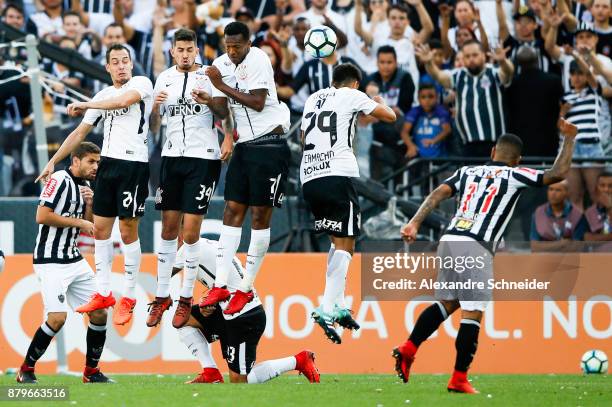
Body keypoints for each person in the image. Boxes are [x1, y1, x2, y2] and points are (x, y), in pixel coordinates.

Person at [394, 119, 578, 393]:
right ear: (517, 160)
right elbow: (557, 173)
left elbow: (437, 194)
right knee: (472, 313)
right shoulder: (515, 175)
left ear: (493, 152)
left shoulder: (465, 171)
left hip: (450, 239)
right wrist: (569, 139)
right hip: (475, 245)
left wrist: (414, 223)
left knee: (447, 303)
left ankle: (409, 348)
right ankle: (458, 378)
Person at [36, 44, 154, 326]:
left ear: (131, 63)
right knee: (101, 230)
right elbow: (80, 132)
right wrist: (54, 160)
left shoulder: (141, 83)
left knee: (127, 231)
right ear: (108, 67)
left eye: (126, 60)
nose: (122, 65)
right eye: (116, 62)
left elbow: (122, 103)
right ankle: (103, 292)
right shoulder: (103, 94)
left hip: (133, 164)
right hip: (108, 166)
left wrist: (87, 104)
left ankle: (128, 296)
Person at [198, 22, 291, 315]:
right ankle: (221, 284)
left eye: (237, 46)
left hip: (270, 144)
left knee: (260, 216)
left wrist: (220, 85)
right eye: (228, 46)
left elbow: (258, 103)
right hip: (244, 146)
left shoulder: (259, 59)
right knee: (231, 210)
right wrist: (210, 100)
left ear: (249, 43)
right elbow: (225, 110)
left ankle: (245, 287)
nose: (232, 51)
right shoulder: (220, 64)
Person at [300, 63, 396, 344]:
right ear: (355, 83)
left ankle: (338, 305)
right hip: (337, 175)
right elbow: (389, 116)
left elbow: (305, 136)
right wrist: (377, 100)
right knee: (347, 243)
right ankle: (326, 307)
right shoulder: (352, 95)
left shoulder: (312, 99)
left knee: (337, 241)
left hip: (310, 177)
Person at [145, 29, 232, 329]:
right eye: (179, 49)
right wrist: (154, 108)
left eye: (189, 49)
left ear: (197, 50)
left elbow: (225, 111)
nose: (185, 54)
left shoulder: (209, 75)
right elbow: (155, 125)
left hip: (203, 159)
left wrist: (210, 102)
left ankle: (185, 297)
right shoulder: (164, 78)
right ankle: (161, 296)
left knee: (191, 232)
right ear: (172, 51)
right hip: (171, 158)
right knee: (169, 229)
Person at [18, 142, 113, 384]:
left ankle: (91, 372)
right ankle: (26, 369)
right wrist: (79, 223)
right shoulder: (59, 179)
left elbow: (88, 224)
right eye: (91, 161)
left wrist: (90, 207)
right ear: (76, 161)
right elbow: (42, 216)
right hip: (49, 259)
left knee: (100, 312)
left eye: (98, 163)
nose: (95, 167)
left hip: (73, 258)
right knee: (57, 319)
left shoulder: (88, 186)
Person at [172, 238, 319, 384]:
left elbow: (165, 273)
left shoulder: (188, 249)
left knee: (240, 381)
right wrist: (209, 305)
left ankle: (298, 360)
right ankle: (211, 372)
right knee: (184, 320)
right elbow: (228, 283)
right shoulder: (207, 245)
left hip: (245, 316)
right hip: (227, 310)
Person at [417, 40, 514, 157]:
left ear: (483, 55)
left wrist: (503, 61)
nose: (471, 59)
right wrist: (429, 63)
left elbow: (508, 72)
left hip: (494, 142)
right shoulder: (458, 75)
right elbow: (438, 75)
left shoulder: (493, 72)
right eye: (467, 56)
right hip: (467, 143)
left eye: (475, 55)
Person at [365, 46, 415, 184]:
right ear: (377, 63)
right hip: (378, 143)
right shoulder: (370, 80)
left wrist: (376, 109)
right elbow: (365, 117)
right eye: (382, 62)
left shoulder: (405, 78)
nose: (385, 66)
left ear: (396, 62)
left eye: (389, 62)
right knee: (377, 188)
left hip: (400, 143)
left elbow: (400, 111)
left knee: (402, 189)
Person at [561, 57, 604, 210]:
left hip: (591, 147)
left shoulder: (594, 91)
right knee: (574, 196)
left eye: (580, 73)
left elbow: (591, 75)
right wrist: (562, 113)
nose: (576, 76)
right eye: (573, 73)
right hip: (571, 149)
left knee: (596, 194)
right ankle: (577, 233)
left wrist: (574, 54)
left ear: (586, 75)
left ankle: (600, 231)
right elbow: (559, 128)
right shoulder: (565, 97)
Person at [530, 180, 588, 251]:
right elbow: (535, 247)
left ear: (567, 193)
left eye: (558, 190)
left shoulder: (578, 215)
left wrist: (546, 247)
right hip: (544, 258)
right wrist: (561, 244)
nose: (553, 193)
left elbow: (577, 247)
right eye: (551, 189)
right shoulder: (538, 213)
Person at [402, 83, 451, 160]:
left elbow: (447, 130)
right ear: (418, 99)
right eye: (423, 97)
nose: (427, 100)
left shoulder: (442, 111)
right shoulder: (414, 112)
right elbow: (404, 132)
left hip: (441, 158)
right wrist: (411, 146)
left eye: (431, 97)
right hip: (419, 156)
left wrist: (433, 141)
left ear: (437, 97)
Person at [497, 2, 551, 72]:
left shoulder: (543, 44)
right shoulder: (511, 45)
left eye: (527, 21)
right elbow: (502, 26)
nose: (523, 25)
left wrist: (544, 6)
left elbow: (547, 27)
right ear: (515, 25)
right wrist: (498, 4)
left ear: (535, 25)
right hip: (517, 82)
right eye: (519, 22)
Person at [584, 171, 612, 241]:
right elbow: (586, 238)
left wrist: (610, 207)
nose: (606, 190)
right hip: (597, 251)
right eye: (602, 186)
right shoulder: (589, 213)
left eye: (610, 186)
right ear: (596, 189)